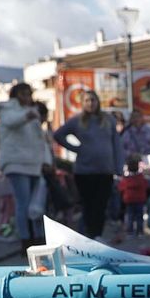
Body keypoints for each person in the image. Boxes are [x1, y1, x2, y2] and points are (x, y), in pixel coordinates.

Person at [52, 90, 122, 238]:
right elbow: (58, 135)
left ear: (98, 102)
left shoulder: (108, 120)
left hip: (105, 170)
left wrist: (119, 167)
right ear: (83, 103)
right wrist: (75, 148)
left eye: (93, 100)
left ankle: (98, 235)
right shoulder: (77, 120)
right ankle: (88, 236)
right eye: (87, 101)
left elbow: (117, 145)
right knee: (88, 205)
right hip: (84, 171)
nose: (90, 103)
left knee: (101, 205)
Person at [0, 83, 46, 249]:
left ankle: (37, 237)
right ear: (15, 95)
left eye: (28, 94)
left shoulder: (31, 113)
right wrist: (27, 116)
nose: (26, 98)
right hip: (16, 162)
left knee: (34, 204)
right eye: (23, 94)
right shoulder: (7, 109)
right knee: (23, 202)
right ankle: (26, 240)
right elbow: (11, 122)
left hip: (33, 163)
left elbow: (40, 140)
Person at [117, 155, 150, 239]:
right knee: (140, 217)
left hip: (129, 201)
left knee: (130, 216)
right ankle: (140, 232)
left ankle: (130, 232)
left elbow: (120, 188)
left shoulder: (125, 180)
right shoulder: (141, 178)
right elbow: (146, 186)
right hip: (140, 200)